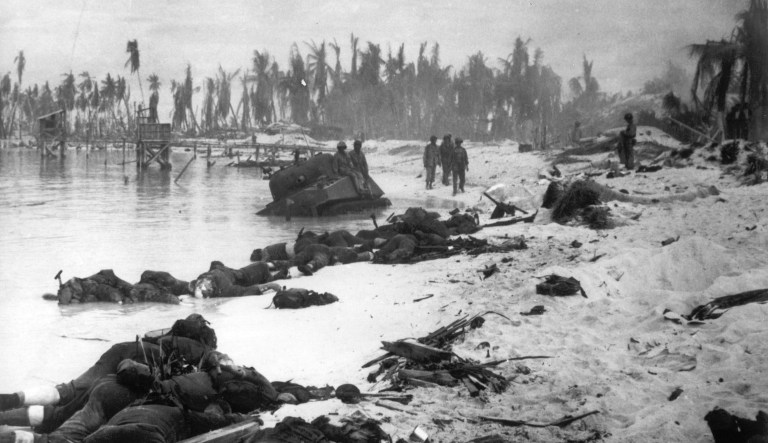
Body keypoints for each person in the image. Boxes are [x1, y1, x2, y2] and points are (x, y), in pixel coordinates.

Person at [0, 316, 221, 433]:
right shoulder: (201, 350)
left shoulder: (168, 335)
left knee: (69, 390)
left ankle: (12, 400)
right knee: (66, 414)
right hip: (138, 362)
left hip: (123, 349)